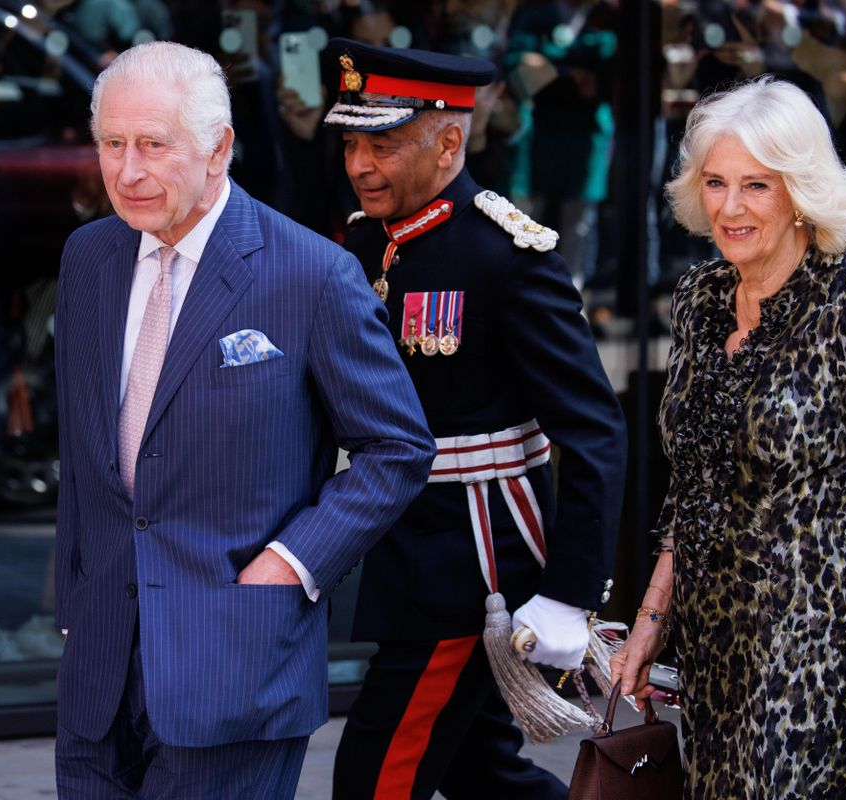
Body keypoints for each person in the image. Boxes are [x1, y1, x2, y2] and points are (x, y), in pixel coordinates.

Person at [52, 40, 435, 798]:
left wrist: (289, 565)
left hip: (237, 661)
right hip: (99, 667)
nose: (128, 172)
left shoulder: (311, 274)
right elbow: (88, 451)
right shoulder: (88, 257)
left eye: (155, 146)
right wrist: (74, 595)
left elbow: (397, 447)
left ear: (219, 148)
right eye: (113, 145)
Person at [322, 38, 628, 799]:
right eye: (352, 142)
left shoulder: (508, 255)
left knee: (375, 777)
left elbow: (593, 430)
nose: (360, 164)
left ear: (450, 140)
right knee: (479, 770)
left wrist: (571, 591)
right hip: (400, 548)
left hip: (474, 566)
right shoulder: (365, 241)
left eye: (383, 145)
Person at [611, 76, 846, 798]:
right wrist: (653, 616)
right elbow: (692, 480)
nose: (729, 207)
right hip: (718, 646)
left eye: (756, 185)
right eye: (715, 183)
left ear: (800, 190)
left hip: (823, 650)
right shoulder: (700, 299)